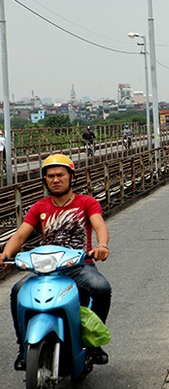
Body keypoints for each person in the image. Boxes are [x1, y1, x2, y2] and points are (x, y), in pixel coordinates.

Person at [0, 154, 112, 370]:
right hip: (46, 270)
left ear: (71, 176)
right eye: (50, 176)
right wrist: (5, 253)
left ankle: (93, 342)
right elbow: (20, 235)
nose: (55, 179)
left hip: (79, 266)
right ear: (45, 180)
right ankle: (24, 349)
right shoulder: (39, 207)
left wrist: (102, 246)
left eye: (60, 175)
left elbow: (100, 227)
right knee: (17, 292)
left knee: (100, 288)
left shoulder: (87, 203)